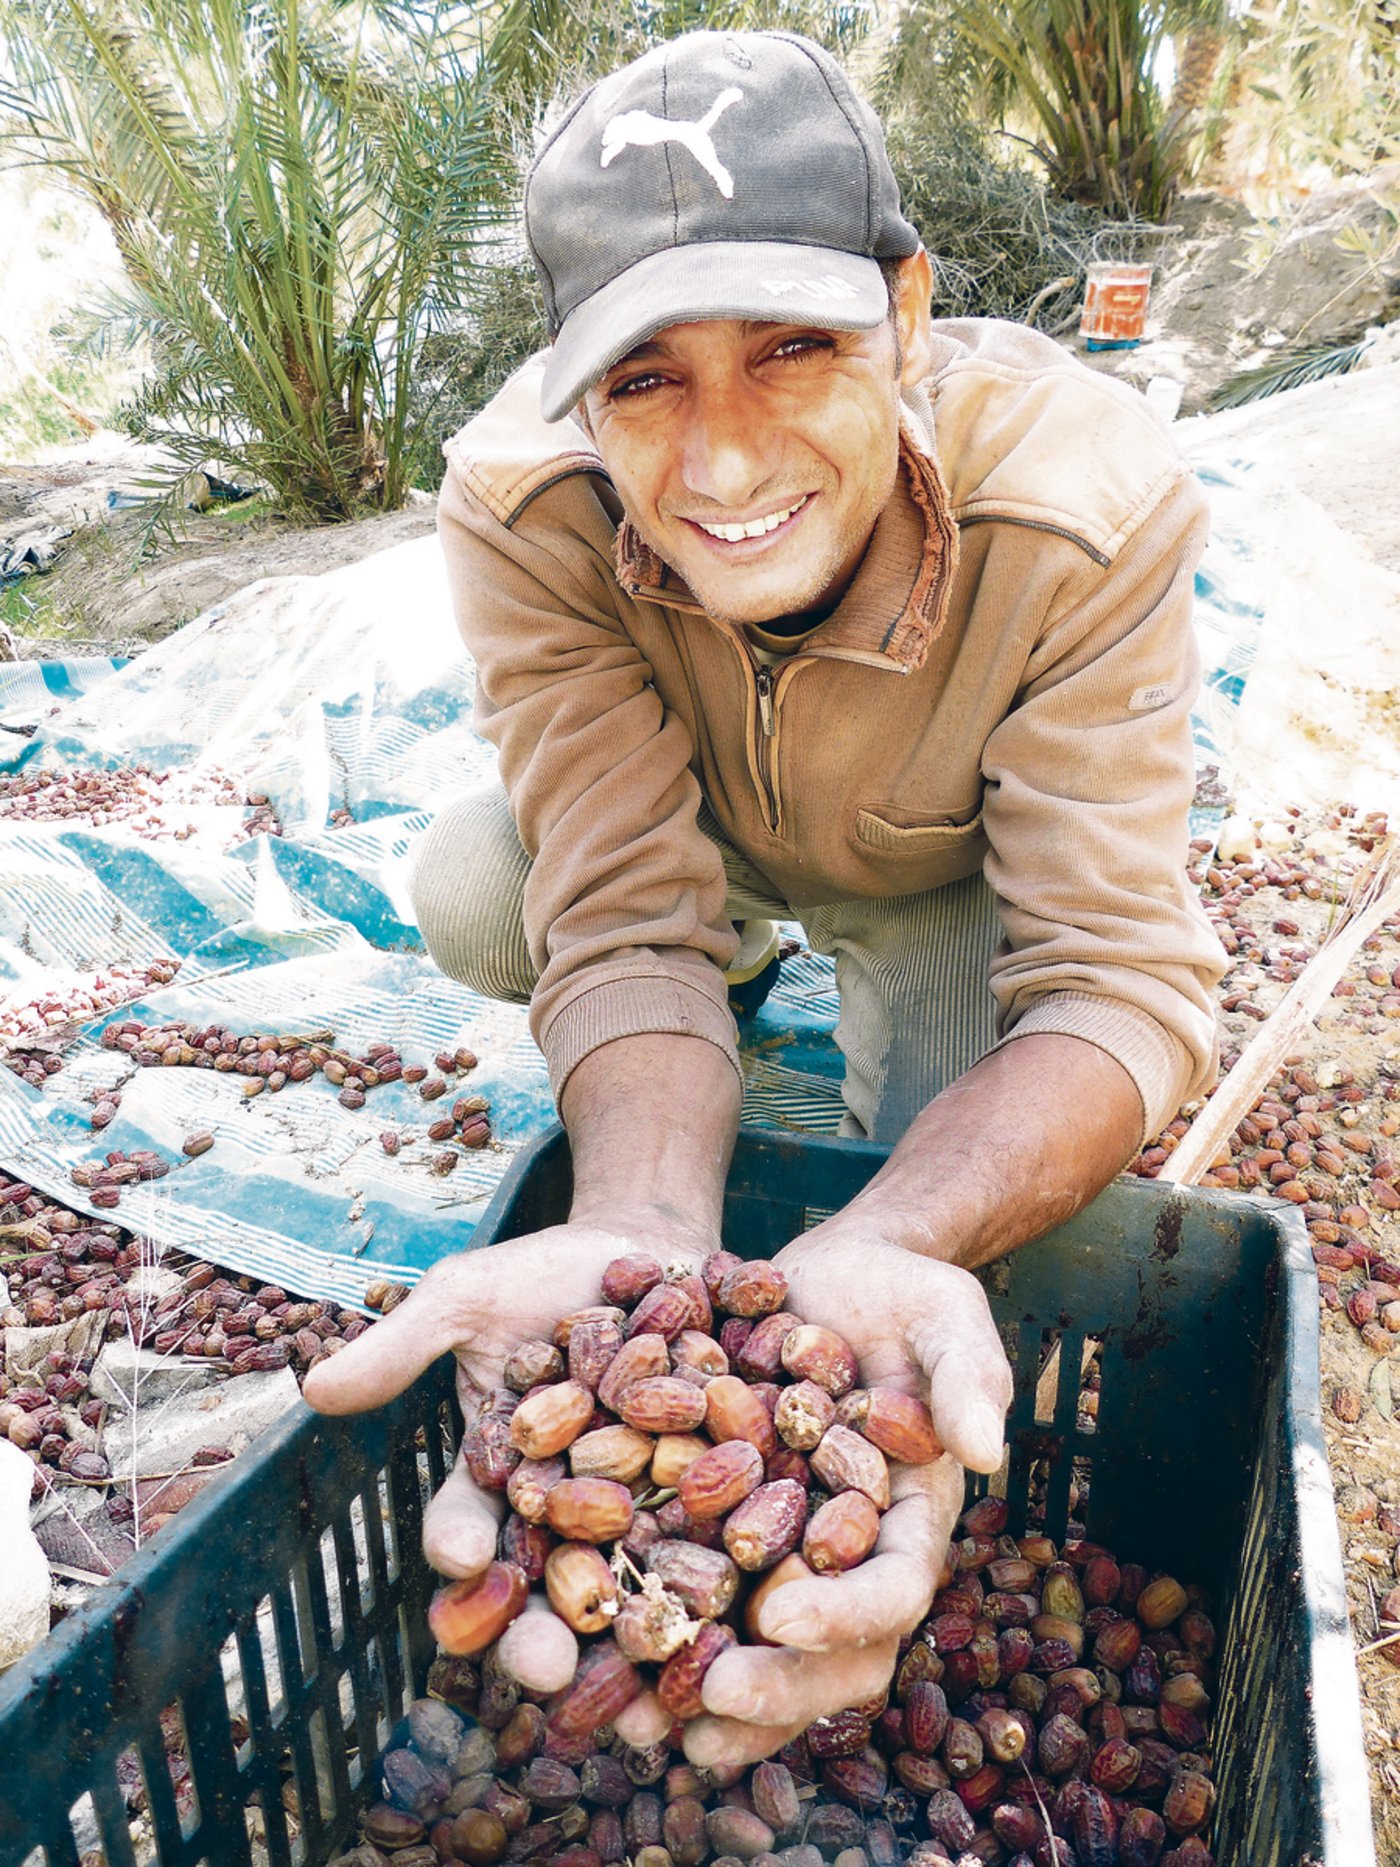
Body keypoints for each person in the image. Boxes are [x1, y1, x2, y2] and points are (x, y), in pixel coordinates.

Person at [305, 28, 1225, 1769]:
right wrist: (644, 1212)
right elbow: (621, 906)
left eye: (794, 348)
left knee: (961, 1132)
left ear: (913, 305)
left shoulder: (1088, 505)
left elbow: (1117, 978)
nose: (722, 465)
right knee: (487, 886)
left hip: (940, 855)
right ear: (575, 386)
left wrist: (893, 1233)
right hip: (702, 840)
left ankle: (870, 1047)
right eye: (646, 380)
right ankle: (705, 1066)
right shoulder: (523, 504)